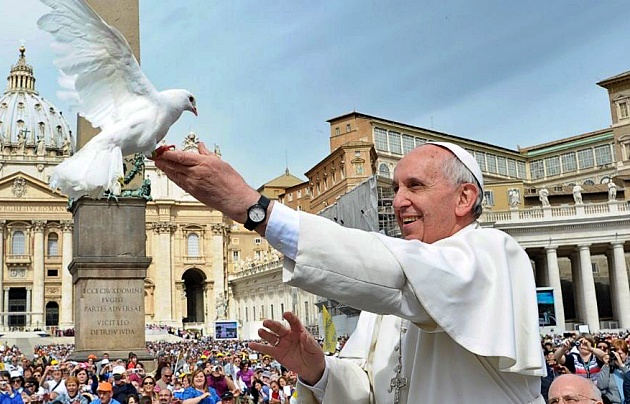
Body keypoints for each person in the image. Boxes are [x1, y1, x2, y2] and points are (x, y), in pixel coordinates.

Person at [153, 141, 546, 403]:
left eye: (415, 186)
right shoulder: (391, 295)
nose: (398, 202)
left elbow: (398, 273)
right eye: (395, 188)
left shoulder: (494, 254)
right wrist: (317, 369)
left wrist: (257, 211)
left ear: (465, 197)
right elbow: (366, 390)